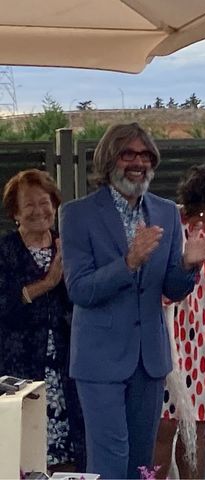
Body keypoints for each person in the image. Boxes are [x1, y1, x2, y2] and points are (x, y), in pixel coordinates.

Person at [60, 123, 205, 479]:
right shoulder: (77, 215)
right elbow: (80, 290)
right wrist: (128, 262)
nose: (138, 162)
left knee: (141, 463)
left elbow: (172, 289)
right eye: (128, 154)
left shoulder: (164, 212)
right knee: (110, 458)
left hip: (150, 360)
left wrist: (189, 264)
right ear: (107, 160)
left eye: (145, 155)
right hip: (100, 361)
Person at [153, 163, 205, 479]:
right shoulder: (170, 227)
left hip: (203, 343)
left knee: (197, 431)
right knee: (164, 429)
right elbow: (155, 286)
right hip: (168, 338)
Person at [0, 169, 85, 472]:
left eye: (45, 202)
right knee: (22, 452)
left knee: (71, 452)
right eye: (29, 205)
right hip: (19, 368)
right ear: (15, 214)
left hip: (68, 368)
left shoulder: (70, 245)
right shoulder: (5, 250)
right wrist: (47, 283)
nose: (39, 211)